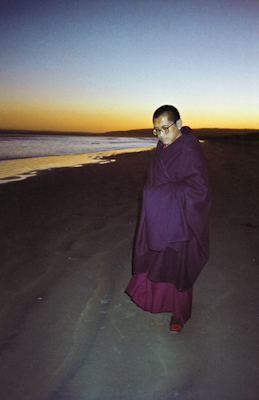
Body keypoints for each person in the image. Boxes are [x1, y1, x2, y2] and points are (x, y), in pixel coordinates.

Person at [125, 105, 211, 332]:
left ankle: (179, 315)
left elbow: (199, 189)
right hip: (162, 217)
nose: (161, 134)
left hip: (183, 219)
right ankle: (157, 301)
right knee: (158, 260)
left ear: (179, 124)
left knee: (179, 267)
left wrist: (159, 195)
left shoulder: (189, 149)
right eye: (156, 130)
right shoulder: (163, 147)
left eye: (165, 128)